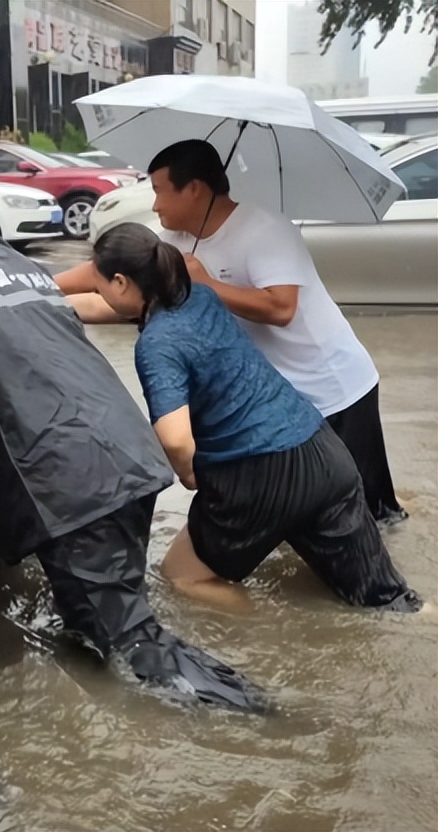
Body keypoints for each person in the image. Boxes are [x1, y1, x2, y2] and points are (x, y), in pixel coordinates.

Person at [0, 179, 265, 713]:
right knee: (105, 624)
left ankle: (257, 713)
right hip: (123, 458)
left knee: (132, 645)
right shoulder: (14, 263)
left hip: (70, 484)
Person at [57, 139, 406, 525]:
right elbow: (114, 289)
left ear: (194, 189)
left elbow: (282, 307)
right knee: (309, 512)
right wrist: (36, 290)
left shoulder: (265, 227)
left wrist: (207, 283)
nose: (154, 205)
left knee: (372, 515)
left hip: (335, 387)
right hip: (278, 401)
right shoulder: (174, 240)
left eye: (159, 191)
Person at [89, 222, 422, 613]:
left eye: (99, 287)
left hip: (258, 476)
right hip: (323, 454)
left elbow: (176, 439)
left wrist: (189, 474)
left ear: (121, 283)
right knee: (390, 604)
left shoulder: (157, 344)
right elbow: (107, 310)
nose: (100, 295)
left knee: (182, 576)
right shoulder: (199, 297)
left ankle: (272, 628)